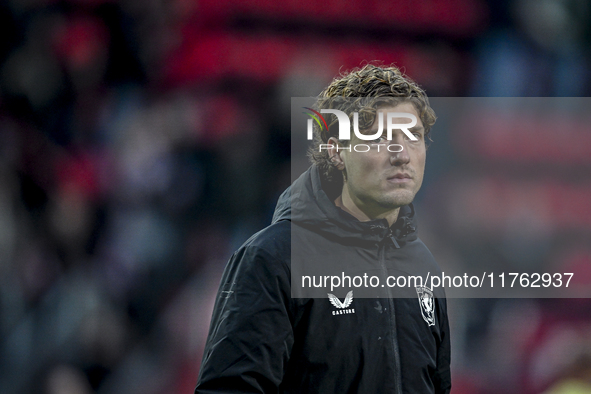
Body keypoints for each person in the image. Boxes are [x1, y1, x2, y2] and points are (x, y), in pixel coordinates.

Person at [195, 64, 451, 393]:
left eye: (413, 136)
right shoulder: (272, 258)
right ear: (336, 152)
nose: (402, 155)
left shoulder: (425, 269)